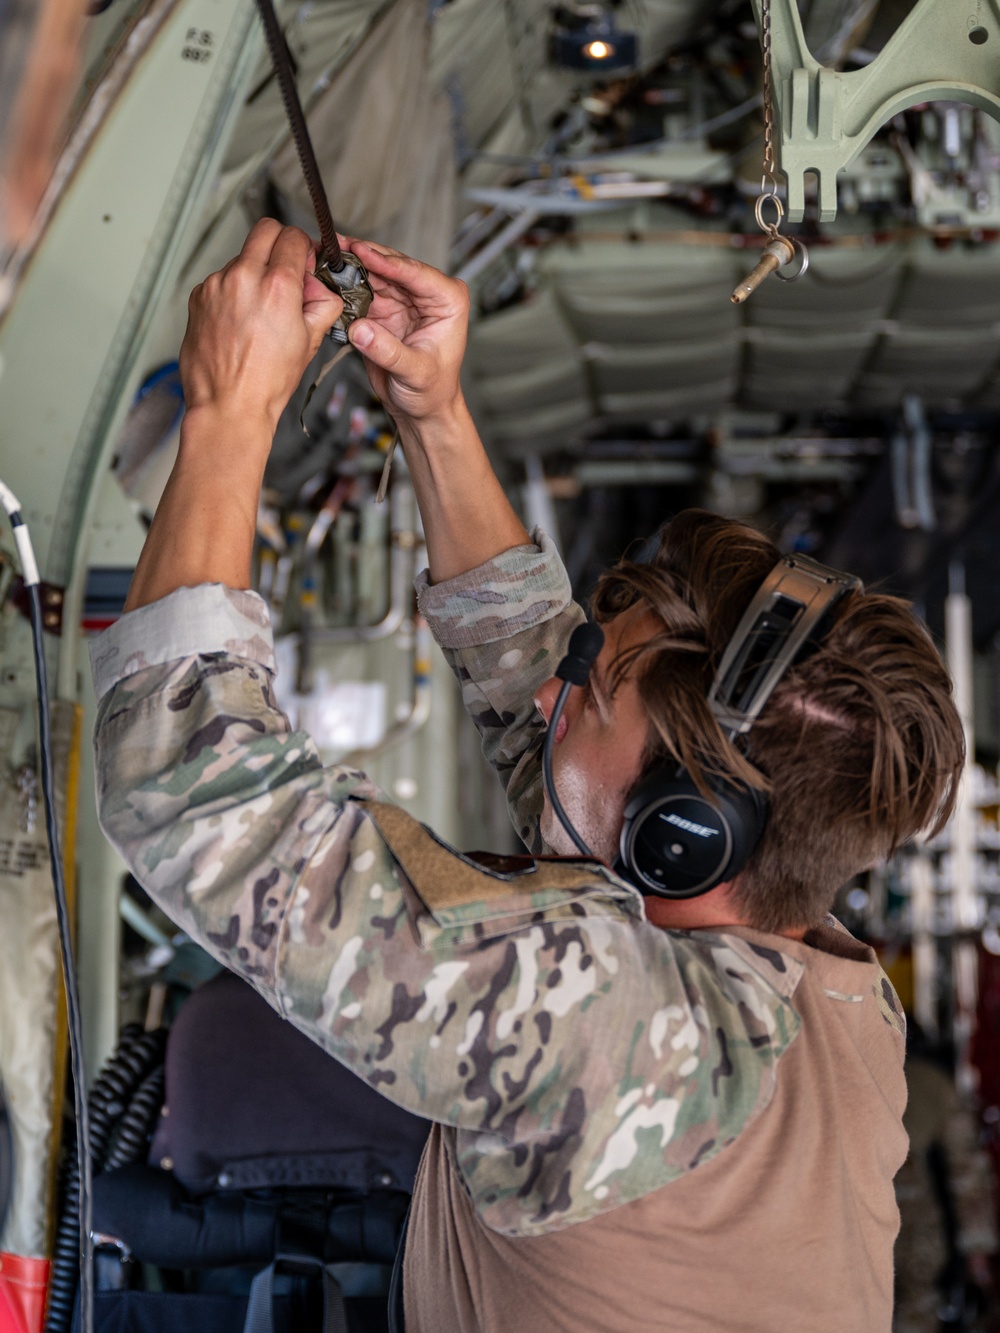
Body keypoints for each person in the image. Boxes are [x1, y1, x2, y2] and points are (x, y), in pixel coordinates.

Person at [90, 218, 965, 1333]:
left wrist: (227, 413)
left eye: (589, 697)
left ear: (684, 831)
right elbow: (552, 733)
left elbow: (192, 782)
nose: (551, 697)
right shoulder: (834, 997)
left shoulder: (621, 1026)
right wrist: (432, 410)